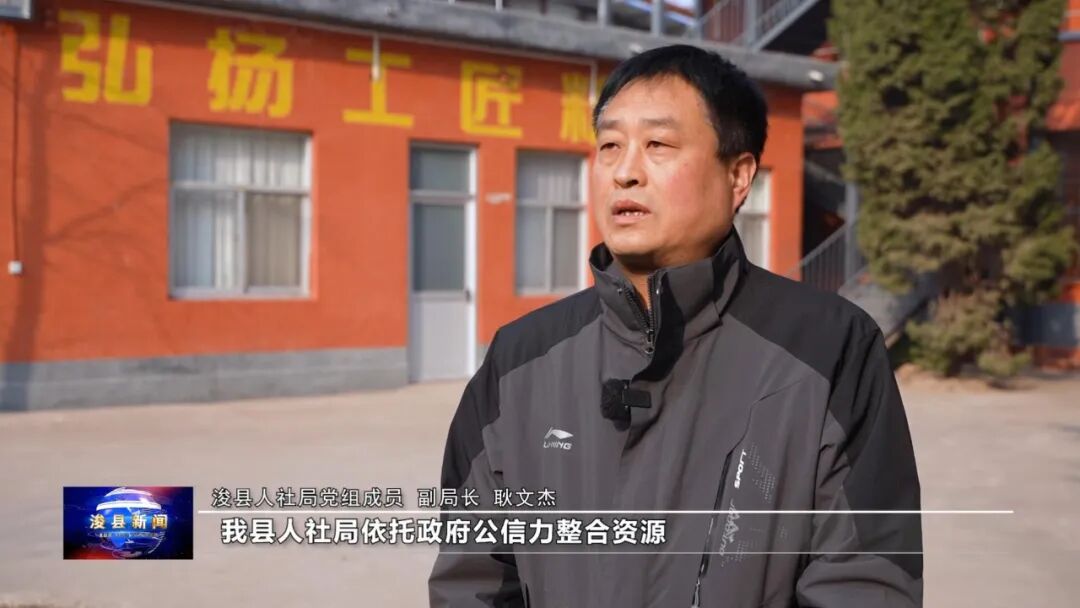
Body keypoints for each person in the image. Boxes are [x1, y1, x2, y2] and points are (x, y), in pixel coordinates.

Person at [429, 44, 922, 607]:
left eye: (657, 145)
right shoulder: (520, 359)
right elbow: (472, 579)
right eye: (610, 146)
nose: (625, 172)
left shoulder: (829, 349)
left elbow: (865, 581)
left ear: (738, 176)